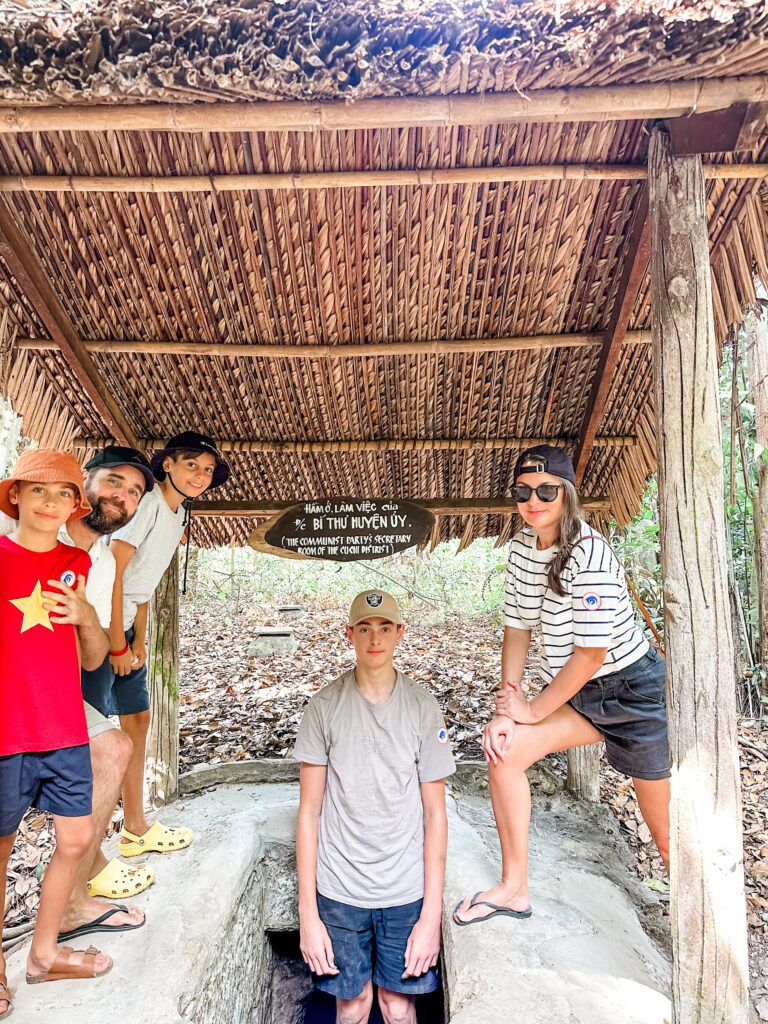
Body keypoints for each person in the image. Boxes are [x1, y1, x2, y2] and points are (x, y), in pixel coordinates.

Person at [453, 445, 670, 926]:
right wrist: (508, 709)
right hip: (578, 693)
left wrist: (532, 709)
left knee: (666, 829)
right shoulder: (520, 550)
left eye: (546, 490)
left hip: (631, 690)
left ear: (567, 493)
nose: (534, 500)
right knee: (504, 751)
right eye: (522, 491)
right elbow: (517, 630)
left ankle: (703, 929)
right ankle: (514, 888)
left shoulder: (588, 552)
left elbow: (591, 655)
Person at [295, 590, 455, 1024]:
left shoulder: (423, 707)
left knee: (398, 1007)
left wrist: (431, 917)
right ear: (349, 634)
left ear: (400, 633)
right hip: (339, 887)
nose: (374, 638)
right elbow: (309, 812)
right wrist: (307, 915)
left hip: (404, 888)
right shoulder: (324, 707)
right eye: (364, 628)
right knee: (352, 1006)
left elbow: (435, 813)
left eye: (385, 628)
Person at [0, 451, 112, 1011]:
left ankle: (43, 957)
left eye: (63, 493)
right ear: (15, 495)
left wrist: (88, 618)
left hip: (63, 726)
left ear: (75, 505)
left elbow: (92, 661)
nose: (50, 502)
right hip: (6, 732)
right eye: (38, 490)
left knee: (73, 840)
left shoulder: (75, 562)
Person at [100, 432, 229, 858]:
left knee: (137, 721)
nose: (200, 475)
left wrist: (138, 639)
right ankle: (89, 858)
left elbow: (144, 584)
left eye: (208, 470)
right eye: (191, 464)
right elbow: (113, 570)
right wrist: (116, 643)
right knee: (97, 741)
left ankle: (136, 828)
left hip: (127, 628)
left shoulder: (177, 515)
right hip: (98, 626)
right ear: (167, 464)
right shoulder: (149, 502)